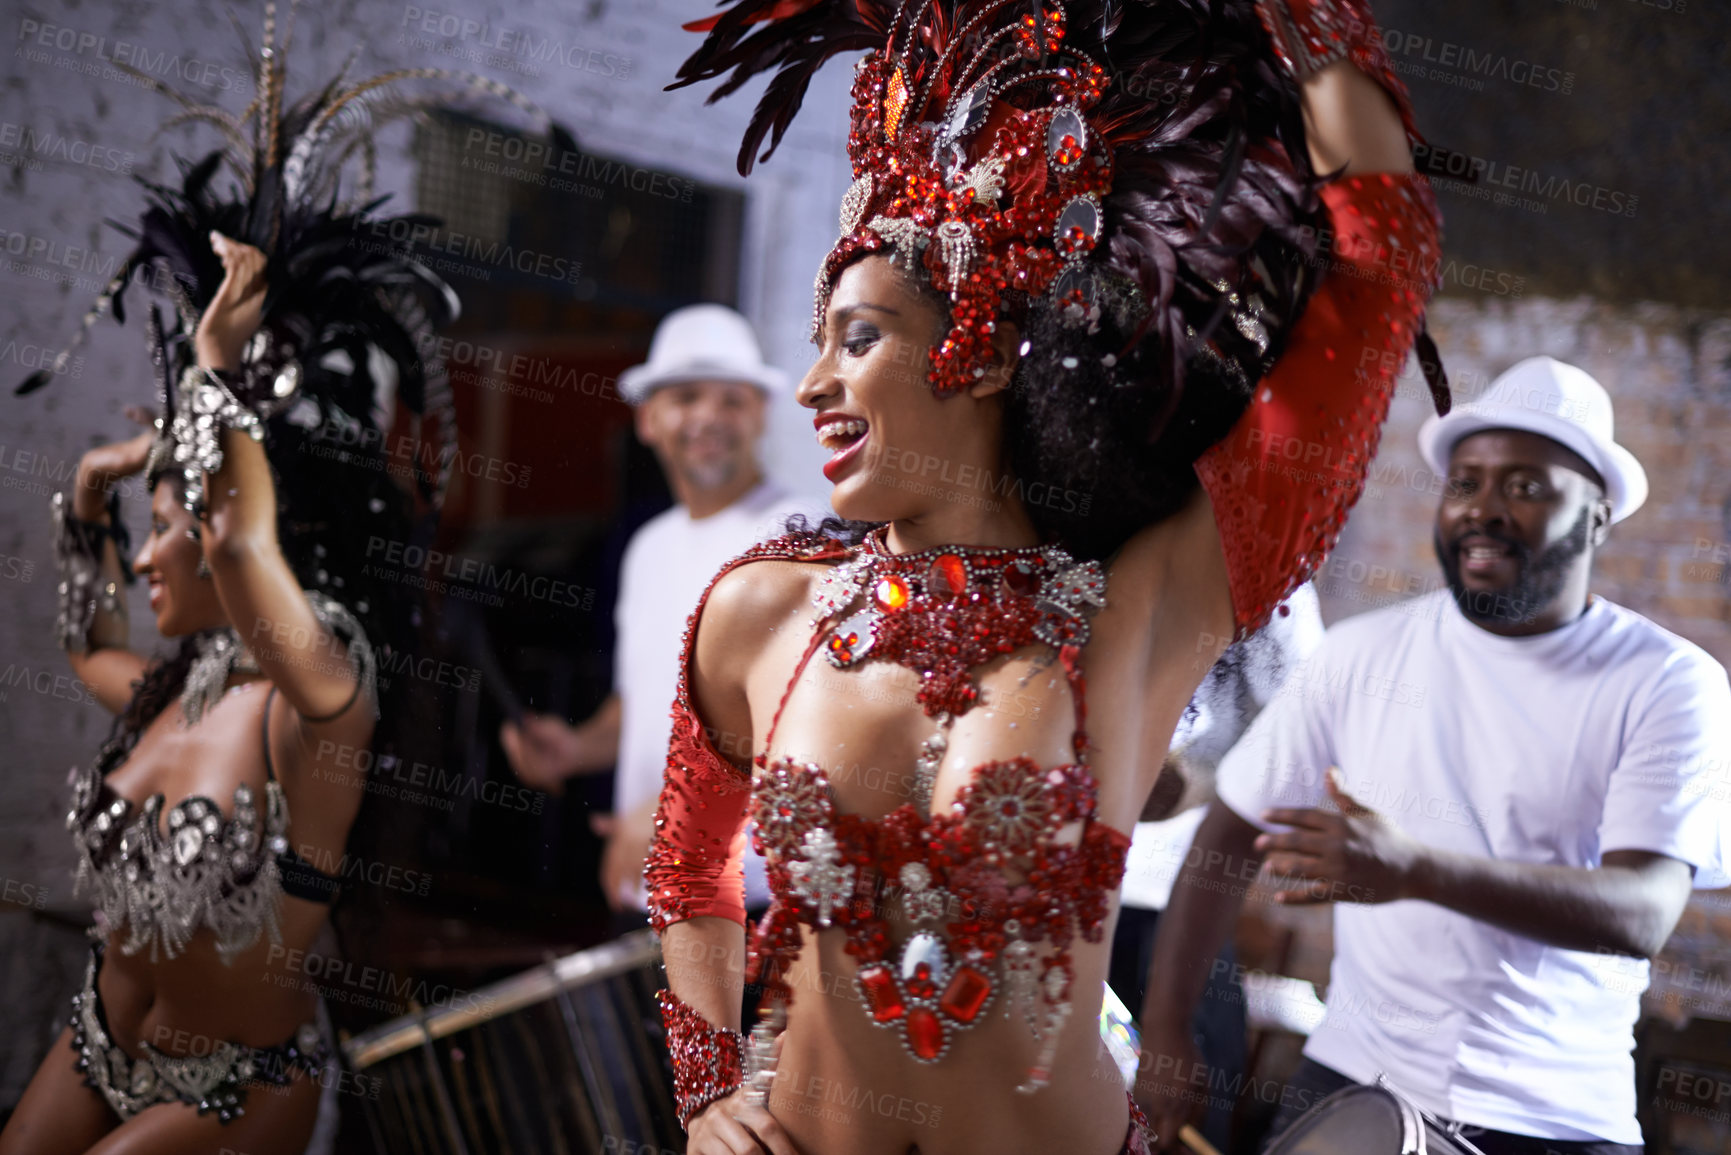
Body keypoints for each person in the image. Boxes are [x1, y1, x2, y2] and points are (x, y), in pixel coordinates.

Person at [645, 0, 1446, 1150]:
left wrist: (1312, 29)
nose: (814, 384)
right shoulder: (762, 609)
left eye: (857, 339)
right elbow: (688, 874)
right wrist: (708, 1093)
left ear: (979, 357)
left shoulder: (1138, 611)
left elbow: (1380, 270)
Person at [0, 28, 521, 1154]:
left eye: (159, 533)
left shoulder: (318, 698)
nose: (145, 564)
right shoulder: (171, 690)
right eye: (139, 538)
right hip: (95, 1038)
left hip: (228, 1088)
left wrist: (209, 374)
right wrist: (86, 502)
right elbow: (87, 640)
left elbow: (240, 541)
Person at [1137, 356, 1731, 1153]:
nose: (1483, 508)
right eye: (1466, 482)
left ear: (1595, 515)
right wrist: (1169, 1028)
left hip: (1553, 1121)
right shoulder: (1360, 654)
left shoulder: (1668, 682)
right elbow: (1227, 835)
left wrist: (1413, 868)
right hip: (1347, 1086)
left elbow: (1643, 909)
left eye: (1524, 486)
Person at [499, 304, 809, 919]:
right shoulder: (649, 547)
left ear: (762, 413)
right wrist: (579, 746)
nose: (708, 417)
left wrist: (670, 810)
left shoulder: (797, 532)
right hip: (647, 899)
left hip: (754, 908)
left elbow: (796, 717)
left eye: (731, 400)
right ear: (647, 419)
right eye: (686, 396)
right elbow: (644, 700)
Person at [1111, 583, 1325, 1149]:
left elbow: (1299, 742)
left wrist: (1184, 787)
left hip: (1168, 919)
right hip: (1039, 910)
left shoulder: (1268, 583)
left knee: (1178, 1124)